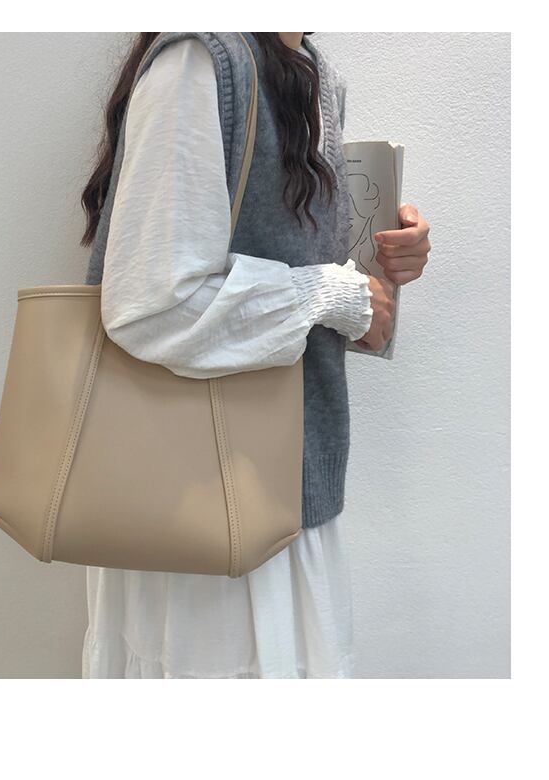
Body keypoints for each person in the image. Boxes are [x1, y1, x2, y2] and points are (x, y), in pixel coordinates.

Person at [78, 32, 431, 678]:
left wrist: (376, 276)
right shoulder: (199, 65)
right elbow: (151, 305)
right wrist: (335, 293)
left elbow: (299, 273)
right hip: (197, 510)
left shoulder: (313, 71)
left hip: (289, 487)